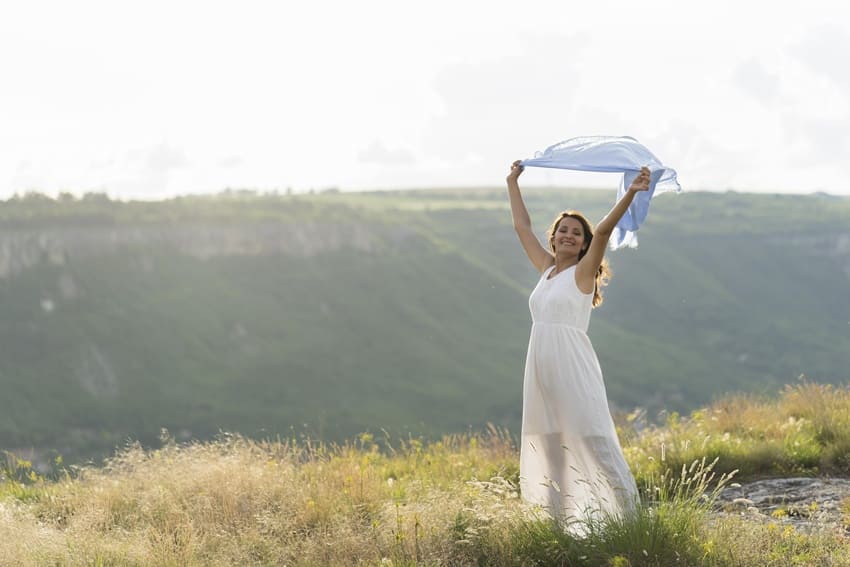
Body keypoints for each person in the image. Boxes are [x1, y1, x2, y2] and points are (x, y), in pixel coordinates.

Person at [506, 159, 645, 528]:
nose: (569, 235)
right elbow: (521, 227)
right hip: (540, 367)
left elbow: (602, 233)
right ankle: (560, 524)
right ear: (553, 237)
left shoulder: (582, 274)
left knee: (593, 440)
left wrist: (631, 192)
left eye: (575, 234)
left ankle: (631, 520)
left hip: (572, 366)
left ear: (583, 246)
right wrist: (512, 182)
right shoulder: (547, 270)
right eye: (563, 230)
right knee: (549, 445)